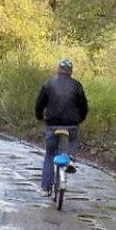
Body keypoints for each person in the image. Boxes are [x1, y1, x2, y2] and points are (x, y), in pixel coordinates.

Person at [35, 58, 88, 196]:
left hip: (52, 124)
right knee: (72, 139)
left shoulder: (49, 83)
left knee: (49, 155)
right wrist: (80, 119)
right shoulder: (77, 85)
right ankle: (71, 158)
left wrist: (39, 116)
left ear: (59, 69)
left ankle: (45, 188)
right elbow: (84, 106)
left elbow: (40, 103)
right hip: (71, 124)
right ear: (70, 71)